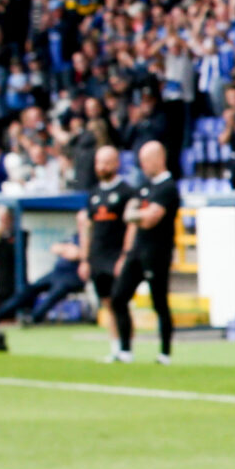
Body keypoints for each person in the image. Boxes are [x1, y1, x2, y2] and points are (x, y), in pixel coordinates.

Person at [106, 141, 180, 364]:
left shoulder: (168, 188)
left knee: (159, 303)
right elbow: (130, 215)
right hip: (137, 251)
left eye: (146, 160)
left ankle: (165, 353)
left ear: (158, 159)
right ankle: (125, 350)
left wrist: (138, 214)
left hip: (157, 253)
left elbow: (149, 220)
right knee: (118, 297)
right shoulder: (145, 186)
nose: (142, 165)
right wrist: (139, 215)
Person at [82, 145, 131, 348]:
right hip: (98, 257)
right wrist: (85, 259)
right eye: (98, 163)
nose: (101, 167)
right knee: (108, 303)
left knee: (120, 303)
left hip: (117, 255)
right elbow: (88, 227)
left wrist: (125, 255)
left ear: (116, 164)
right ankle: (115, 346)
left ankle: (127, 348)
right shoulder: (93, 193)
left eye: (106, 163)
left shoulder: (126, 192)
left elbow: (131, 227)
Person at [1, 235, 88, 325]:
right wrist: (69, 250)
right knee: (29, 289)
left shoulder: (89, 238)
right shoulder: (75, 237)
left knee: (54, 293)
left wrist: (70, 250)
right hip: (56, 273)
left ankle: (33, 318)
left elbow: (77, 254)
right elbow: (54, 247)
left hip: (73, 276)